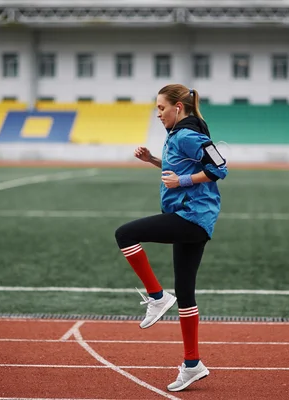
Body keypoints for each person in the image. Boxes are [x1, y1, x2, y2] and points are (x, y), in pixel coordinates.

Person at [115, 84, 228, 392]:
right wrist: (153, 160)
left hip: (191, 217)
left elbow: (220, 167)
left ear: (178, 108)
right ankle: (193, 364)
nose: (158, 114)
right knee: (186, 292)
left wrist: (183, 181)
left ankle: (156, 296)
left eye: (161, 108)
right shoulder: (178, 136)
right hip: (193, 218)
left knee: (125, 234)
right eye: (156, 109)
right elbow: (176, 168)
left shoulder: (190, 135)